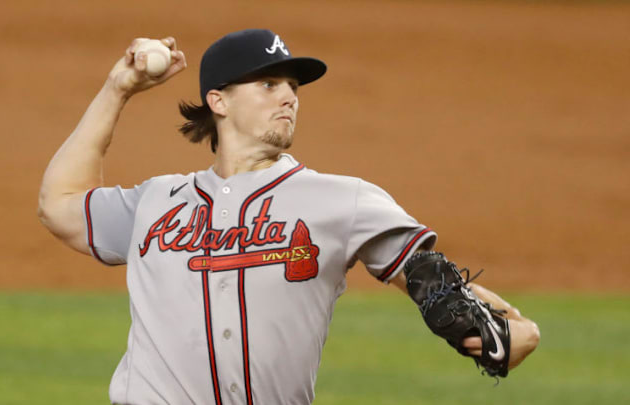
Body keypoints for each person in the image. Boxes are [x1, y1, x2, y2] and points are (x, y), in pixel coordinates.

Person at [38, 29, 539, 405]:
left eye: (293, 86)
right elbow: (60, 203)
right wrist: (116, 88)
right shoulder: (156, 202)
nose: (289, 96)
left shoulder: (343, 201)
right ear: (219, 101)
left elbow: (432, 280)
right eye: (269, 83)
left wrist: (511, 327)